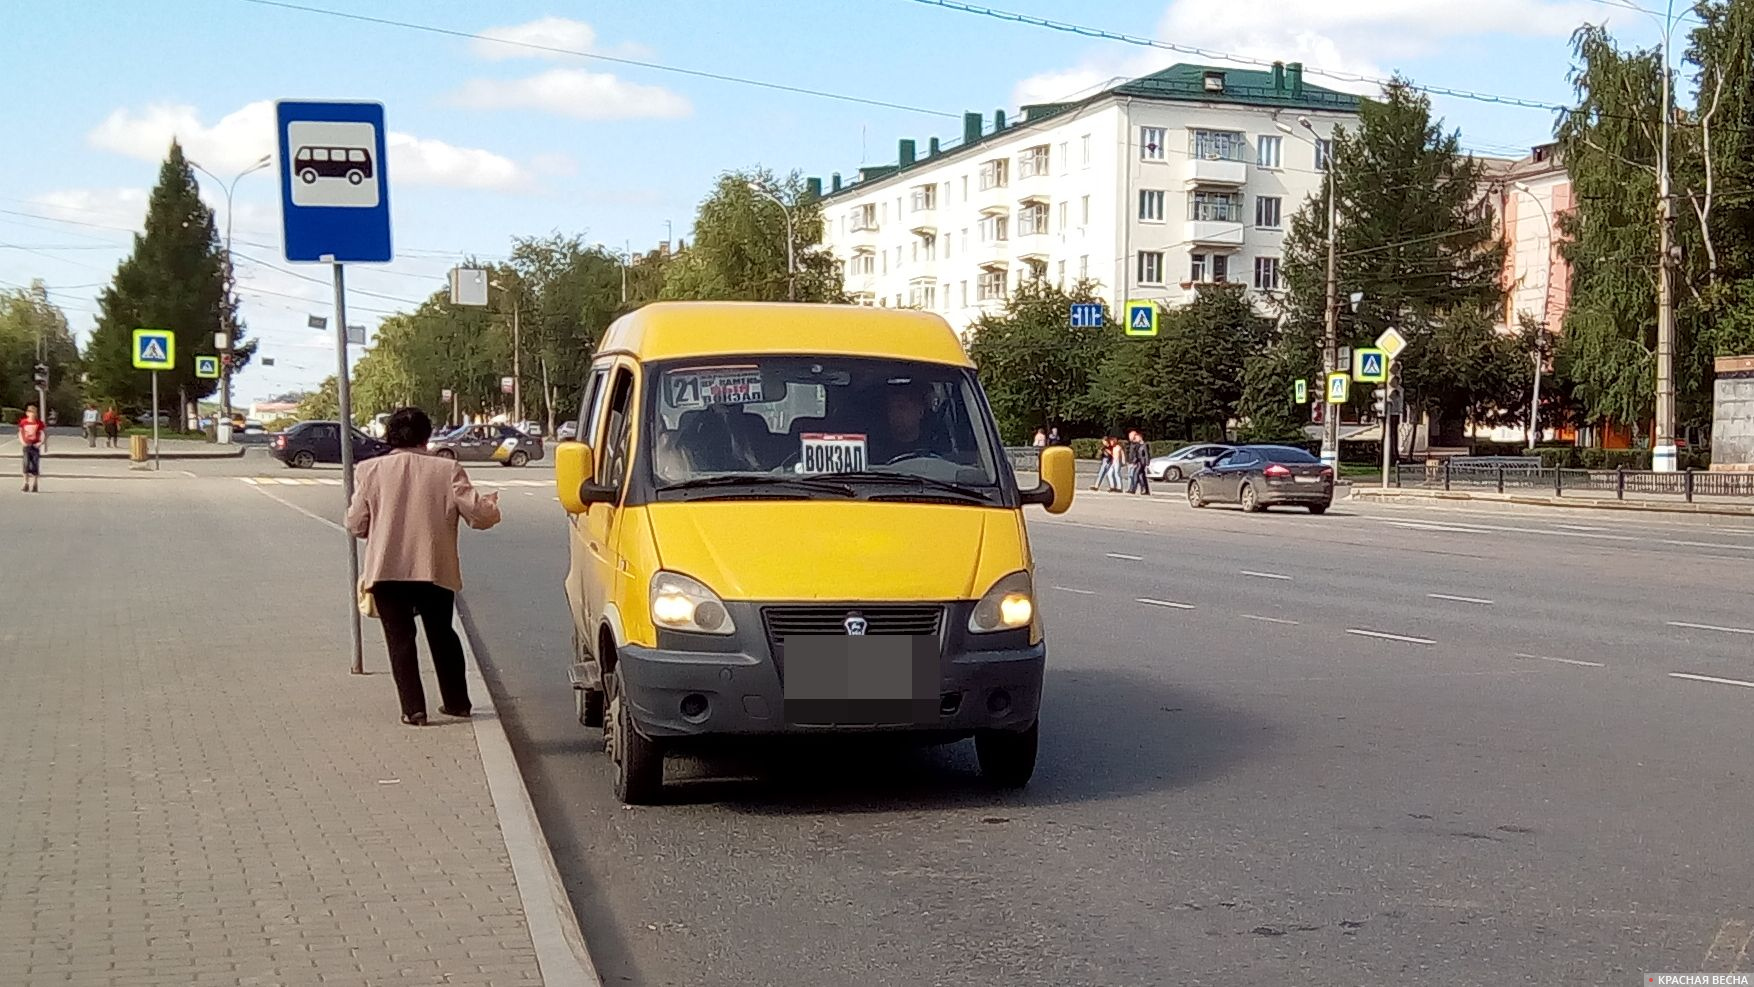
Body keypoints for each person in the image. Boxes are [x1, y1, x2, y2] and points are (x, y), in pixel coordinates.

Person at [345, 407, 501, 726]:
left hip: (387, 569)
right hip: (434, 567)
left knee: (400, 640)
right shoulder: (447, 470)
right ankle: (457, 702)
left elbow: (357, 524)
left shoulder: (368, 470)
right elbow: (478, 516)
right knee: (442, 633)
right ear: (427, 436)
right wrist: (491, 506)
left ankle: (413, 709)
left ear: (389, 435)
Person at [18, 403, 46, 493]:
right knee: (25, 465)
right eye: (30, 412)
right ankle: (25, 483)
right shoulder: (23, 422)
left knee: (35, 465)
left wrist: (40, 442)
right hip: (27, 445)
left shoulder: (39, 423)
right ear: (27, 413)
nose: (32, 414)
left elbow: (43, 434)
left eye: (34, 412)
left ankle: (35, 484)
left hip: (35, 446)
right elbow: (20, 433)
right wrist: (22, 442)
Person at [1126, 429, 1151, 496]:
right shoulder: (1138, 445)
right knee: (1141, 476)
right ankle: (1145, 490)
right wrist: (1134, 461)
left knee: (1136, 474)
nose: (1135, 438)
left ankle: (1133, 489)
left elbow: (1146, 454)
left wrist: (1147, 462)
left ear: (1140, 437)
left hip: (1142, 462)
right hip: (1139, 461)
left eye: (1136, 437)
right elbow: (1136, 454)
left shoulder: (1144, 445)